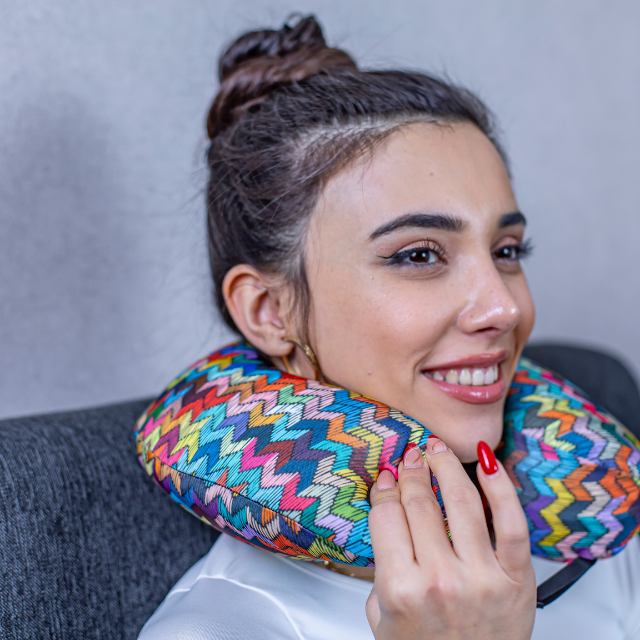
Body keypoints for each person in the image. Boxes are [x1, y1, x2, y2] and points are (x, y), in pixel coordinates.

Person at [138, 15, 640, 640]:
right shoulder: (223, 627)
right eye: (419, 254)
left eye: (507, 251)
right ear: (269, 311)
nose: (504, 309)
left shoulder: (610, 552)